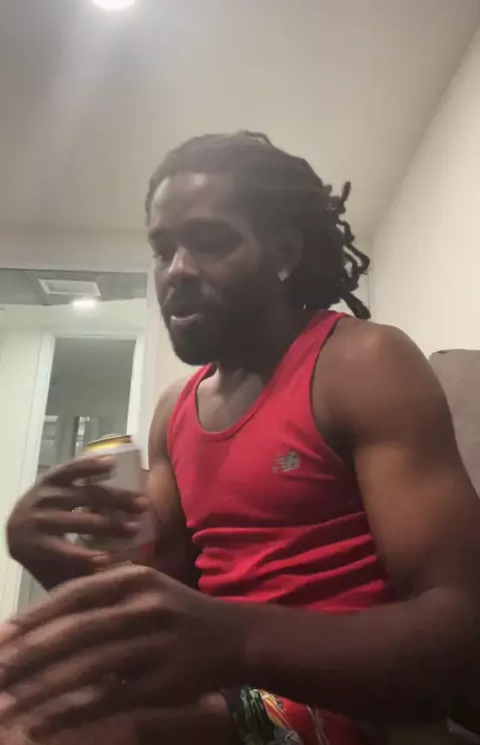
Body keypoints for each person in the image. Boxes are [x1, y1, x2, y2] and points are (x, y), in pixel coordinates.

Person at [3, 132, 480, 745]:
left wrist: (235, 639)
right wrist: (47, 554)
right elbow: (160, 604)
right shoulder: (174, 411)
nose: (176, 270)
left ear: (283, 252)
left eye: (209, 242)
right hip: (225, 690)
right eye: (163, 249)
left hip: (355, 709)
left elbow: (461, 625)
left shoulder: (361, 363)